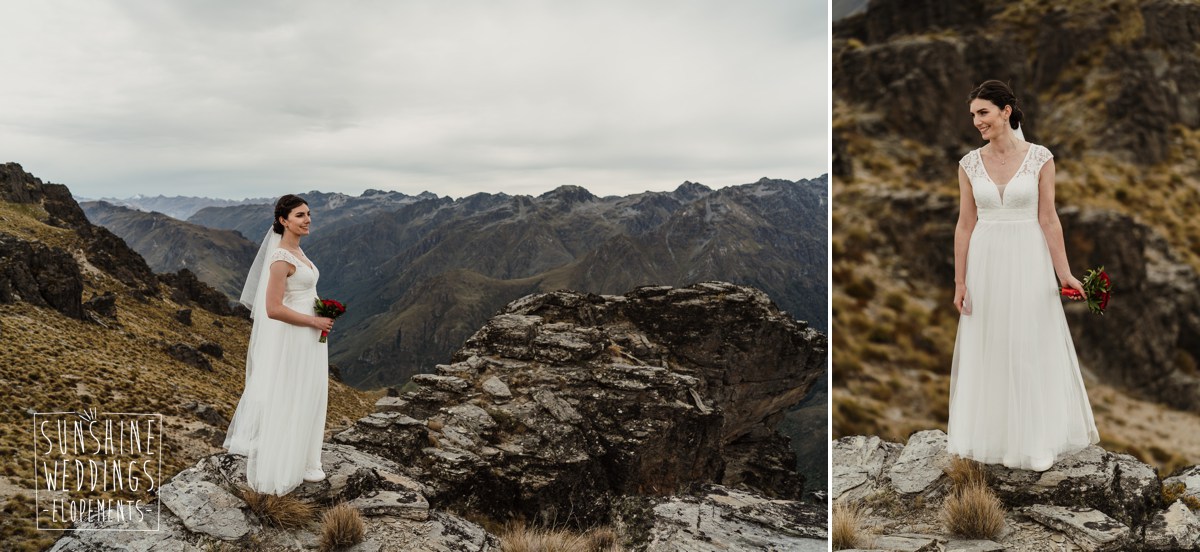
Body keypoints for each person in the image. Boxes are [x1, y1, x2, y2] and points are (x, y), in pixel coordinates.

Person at [946, 80, 1100, 472]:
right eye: (973, 115)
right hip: (985, 260)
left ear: (1006, 111)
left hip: (1029, 258)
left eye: (983, 112)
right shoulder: (968, 164)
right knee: (991, 344)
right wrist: (960, 282)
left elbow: (1049, 218)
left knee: (1028, 343)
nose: (977, 121)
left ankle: (1031, 444)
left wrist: (1064, 273)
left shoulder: (1040, 158)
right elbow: (965, 225)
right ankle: (994, 440)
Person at [223, 194, 334, 494]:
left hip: (311, 336)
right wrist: (314, 321)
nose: (308, 219)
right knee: (292, 394)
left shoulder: (299, 253)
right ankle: (284, 464)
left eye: (308, 213)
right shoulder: (280, 259)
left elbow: (302, 293)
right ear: (284, 221)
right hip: (296, 337)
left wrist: (323, 312)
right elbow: (272, 309)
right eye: (300, 215)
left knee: (310, 391)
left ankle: (306, 459)